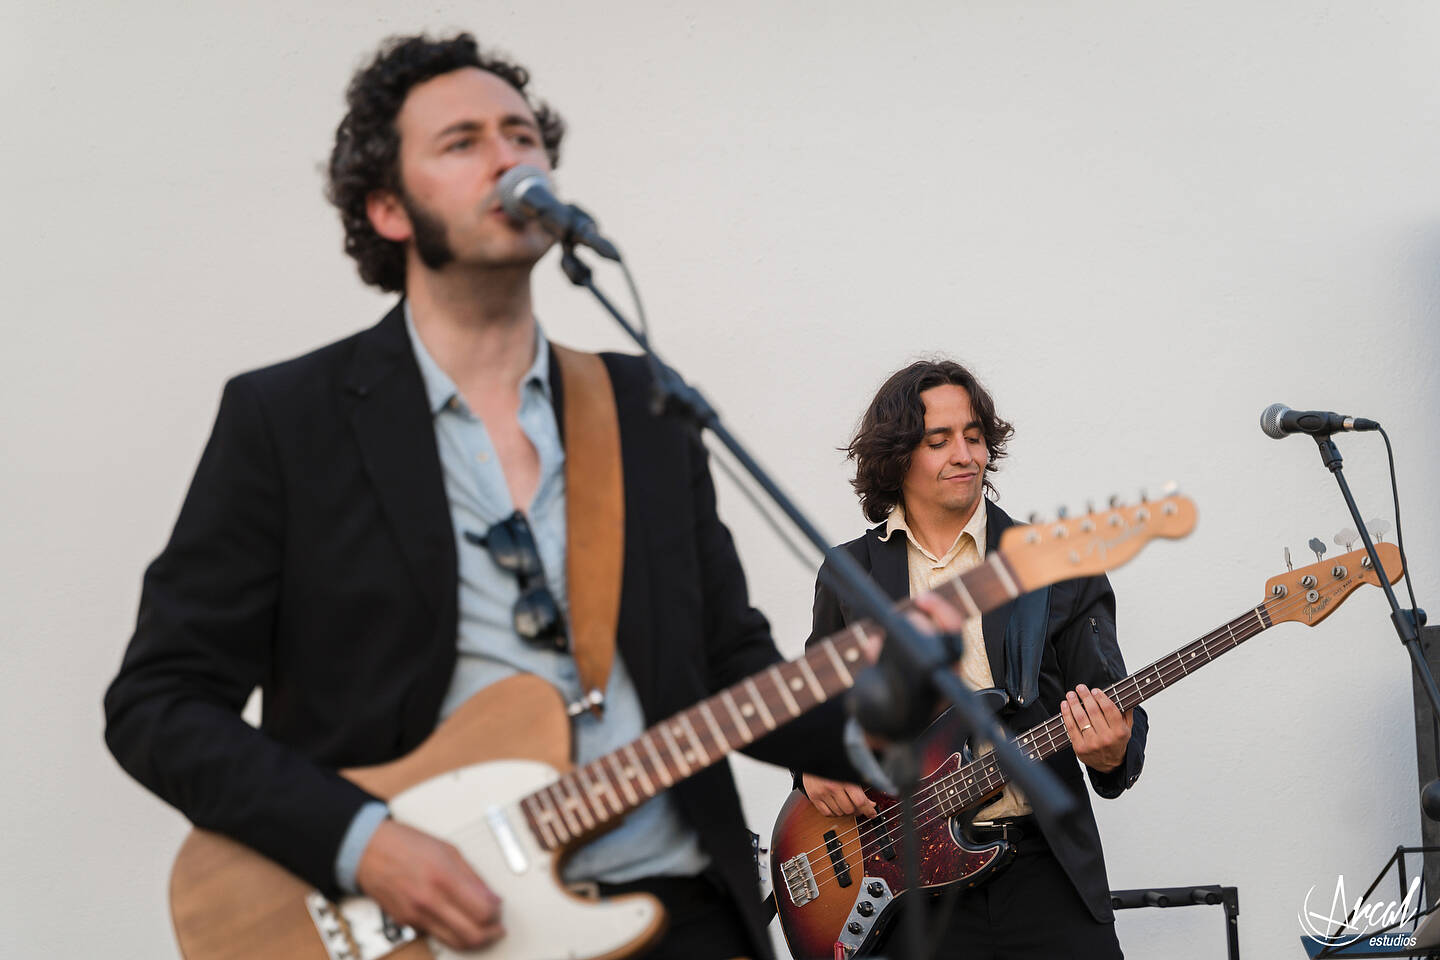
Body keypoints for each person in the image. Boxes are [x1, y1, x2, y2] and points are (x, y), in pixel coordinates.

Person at [103, 33, 861, 960]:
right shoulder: (286, 421)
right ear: (387, 207)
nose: (508, 159)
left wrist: (897, 712)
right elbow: (160, 702)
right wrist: (364, 844)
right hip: (427, 930)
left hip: (676, 914)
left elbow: (730, 664)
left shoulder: (644, 408)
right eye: (462, 142)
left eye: (521, 135)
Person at [798, 359, 1149, 959]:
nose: (966, 454)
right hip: (906, 891)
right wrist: (812, 765)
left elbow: (1114, 710)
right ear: (897, 458)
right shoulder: (849, 576)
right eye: (939, 441)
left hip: (1042, 870)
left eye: (975, 436)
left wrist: (1114, 749)